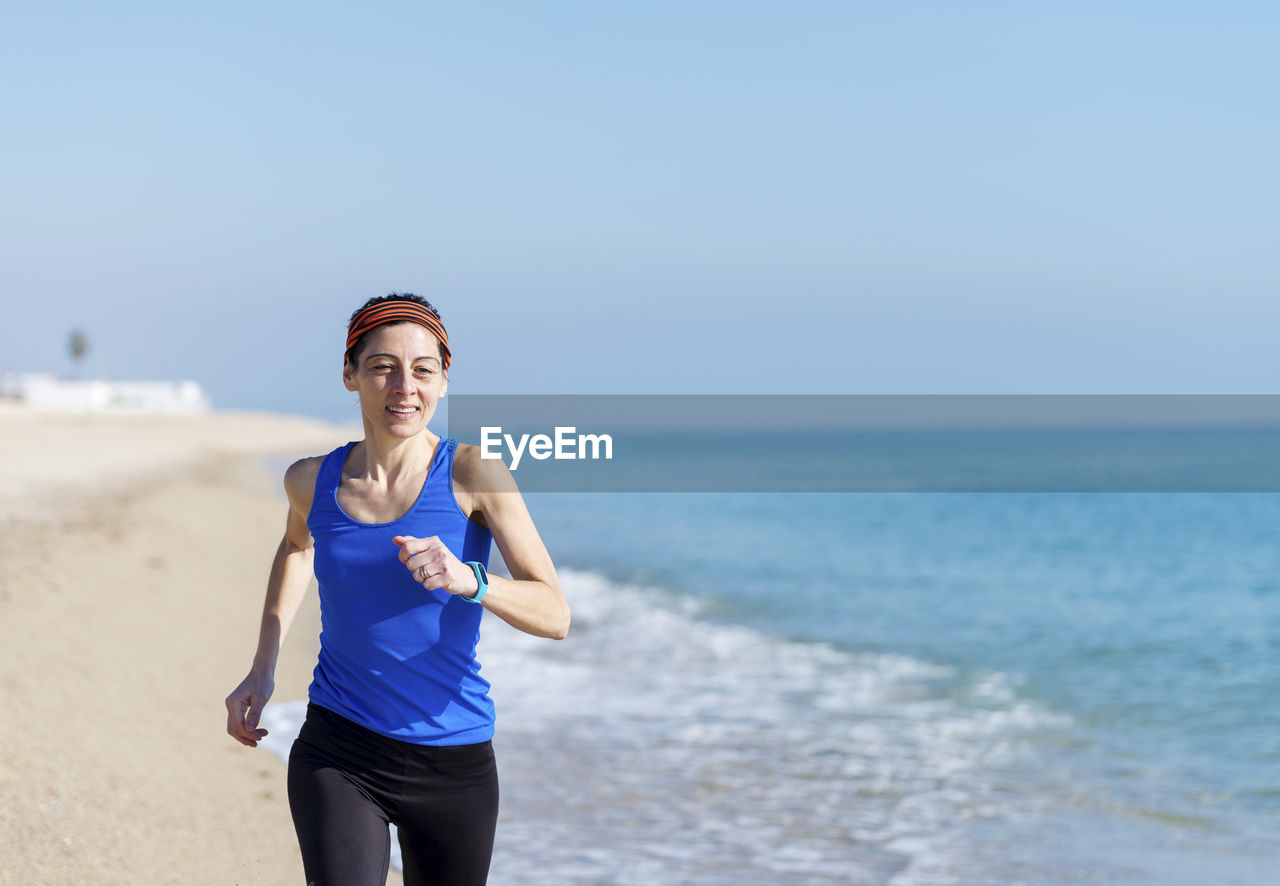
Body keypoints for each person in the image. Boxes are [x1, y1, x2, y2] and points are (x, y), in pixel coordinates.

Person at [225, 293, 570, 886]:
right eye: (382, 366)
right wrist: (263, 666)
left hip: (454, 760)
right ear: (350, 375)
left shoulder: (474, 474)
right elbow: (298, 546)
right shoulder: (311, 481)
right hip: (339, 748)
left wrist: (472, 581)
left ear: (442, 379)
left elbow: (555, 613)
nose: (403, 386)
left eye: (422, 369)